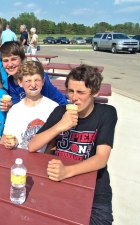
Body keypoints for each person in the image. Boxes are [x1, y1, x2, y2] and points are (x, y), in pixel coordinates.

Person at [28, 65, 117, 225]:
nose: (73, 98)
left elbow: (101, 158)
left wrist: (67, 171)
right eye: (70, 91)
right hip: (58, 184)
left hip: (94, 189)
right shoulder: (60, 111)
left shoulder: (106, 113)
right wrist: (60, 125)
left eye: (81, 92)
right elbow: (32, 145)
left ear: (95, 93)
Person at [0, 61, 58, 150]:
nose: (33, 85)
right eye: (28, 81)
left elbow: (54, 143)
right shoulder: (15, 110)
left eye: (37, 80)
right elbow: (5, 138)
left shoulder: (53, 108)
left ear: (43, 81)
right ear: (20, 83)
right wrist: (11, 143)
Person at [0, 41, 68, 107]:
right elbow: (18, 106)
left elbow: (44, 104)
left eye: (14, 59)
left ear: (23, 60)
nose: (10, 64)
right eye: (5, 61)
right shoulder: (10, 83)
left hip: (59, 107)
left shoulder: (37, 77)